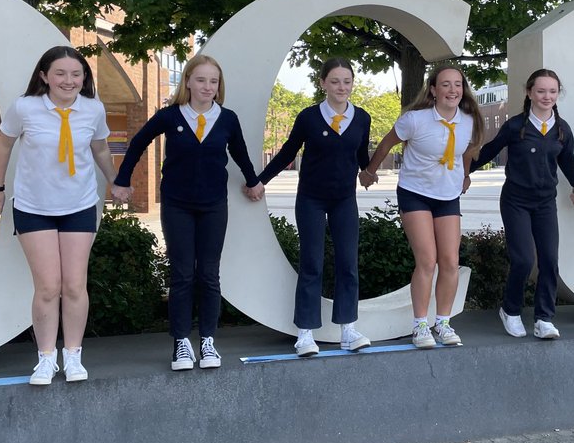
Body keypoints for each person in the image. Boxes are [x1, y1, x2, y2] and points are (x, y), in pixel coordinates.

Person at [110, 54, 263, 372]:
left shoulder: (228, 119)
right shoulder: (170, 116)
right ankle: (181, 343)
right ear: (189, 82)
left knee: (208, 275)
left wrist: (253, 181)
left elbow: (240, 153)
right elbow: (137, 143)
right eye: (202, 79)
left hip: (213, 206)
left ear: (219, 86)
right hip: (177, 204)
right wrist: (122, 180)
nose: (208, 86)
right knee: (182, 275)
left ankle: (207, 341)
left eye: (214, 81)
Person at [0, 46, 117, 386]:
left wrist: (118, 182)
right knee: (47, 287)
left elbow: (101, 148)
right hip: (33, 208)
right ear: (44, 76)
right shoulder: (25, 107)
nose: (68, 81)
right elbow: (4, 144)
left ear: (84, 78)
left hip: (79, 206)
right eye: (60, 73)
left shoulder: (93, 110)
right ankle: (46, 358)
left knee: (74, 285)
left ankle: (72, 355)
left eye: (76, 74)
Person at [360, 63, 483, 348]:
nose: (453, 90)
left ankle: (443, 323)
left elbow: (467, 150)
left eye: (457, 84)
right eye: (446, 84)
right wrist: (370, 171)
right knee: (427, 260)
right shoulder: (415, 120)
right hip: (415, 193)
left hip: (448, 194)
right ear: (433, 90)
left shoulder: (469, 120)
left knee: (450, 261)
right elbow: (386, 144)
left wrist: (465, 175)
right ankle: (420, 326)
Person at [256, 58, 372, 356]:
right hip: (311, 199)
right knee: (312, 264)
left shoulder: (362, 118)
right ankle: (305, 334)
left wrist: (368, 171)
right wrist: (261, 181)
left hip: (344, 200)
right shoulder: (308, 117)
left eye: (346, 81)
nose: (341, 87)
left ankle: (348, 330)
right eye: (334, 81)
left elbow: (361, 153)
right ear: (322, 83)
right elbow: (286, 154)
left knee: (348, 263)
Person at [466, 69, 574, 340]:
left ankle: (544, 318)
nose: (547, 96)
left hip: (545, 203)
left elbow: (567, 164)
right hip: (515, 201)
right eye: (541, 91)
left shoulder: (562, 130)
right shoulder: (516, 126)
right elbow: (489, 152)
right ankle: (510, 310)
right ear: (529, 93)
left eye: (552, 91)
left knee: (550, 261)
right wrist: (462, 171)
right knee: (523, 259)